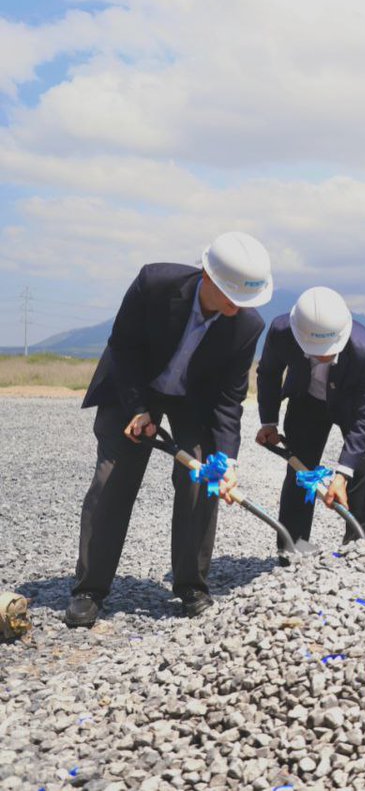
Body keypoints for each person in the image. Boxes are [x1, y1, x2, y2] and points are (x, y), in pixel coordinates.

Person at [66, 232, 273, 627]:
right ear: (208, 277)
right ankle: (89, 588)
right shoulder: (155, 284)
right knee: (114, 478)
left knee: (202, 478)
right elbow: (122, 346)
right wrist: (138, 409)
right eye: (232, 296)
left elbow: (229, 398)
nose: (238, 307)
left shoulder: (247, 325)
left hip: (191, 401)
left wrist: (227, 461)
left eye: (246, 300)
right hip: (132, 386)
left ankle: (191, 585)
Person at [255, 287, 365, 556]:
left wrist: (342, 473)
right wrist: (269, 422)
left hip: (355, 402)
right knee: (300, 465)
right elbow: (268, 373)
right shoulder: (282, 331)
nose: (322, 355)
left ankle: (358, 548)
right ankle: (294, 547)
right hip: (307, 397)